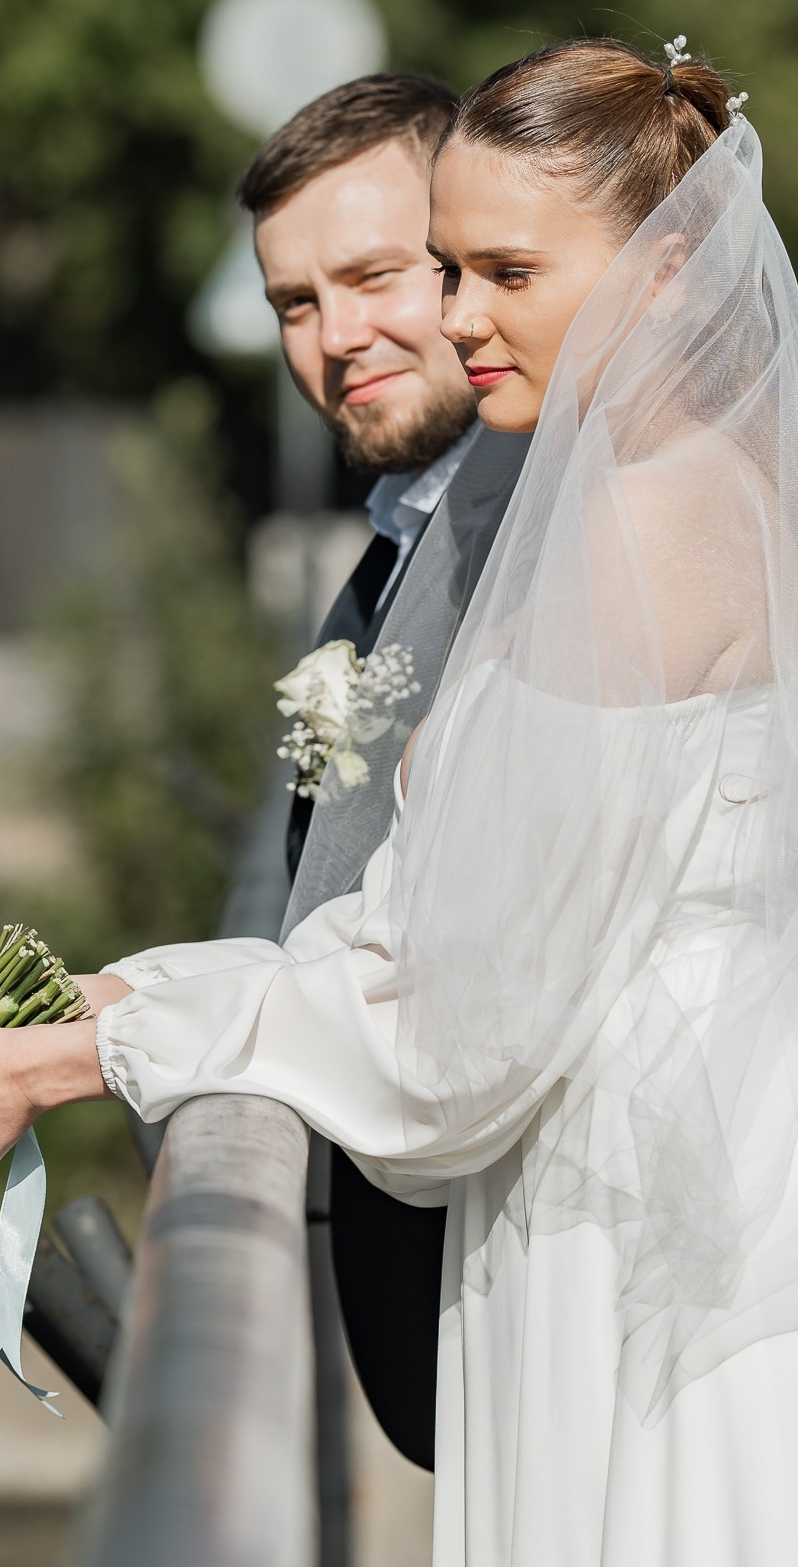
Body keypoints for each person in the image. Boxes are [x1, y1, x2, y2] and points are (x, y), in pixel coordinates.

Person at [0, 37, 798, 1566]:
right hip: (693, 1184)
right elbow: (455, 935)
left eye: (503, 272)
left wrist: (75, 1061)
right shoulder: (680, 488)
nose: (458, 316)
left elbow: (456, 1035)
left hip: (675, 1247)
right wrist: (94, 999)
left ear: (668, 277)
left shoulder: (641, 532)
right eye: (454, 271)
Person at [224, 71, 534, 1473]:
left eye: (371, 276)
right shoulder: (393, 539)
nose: (336, 337)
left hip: (532, 1287)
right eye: (296, 302)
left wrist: (81, 1047)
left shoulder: (551, 538)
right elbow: (291, 862)